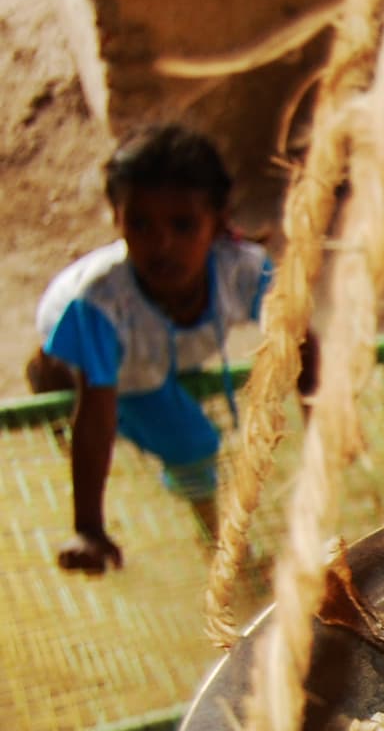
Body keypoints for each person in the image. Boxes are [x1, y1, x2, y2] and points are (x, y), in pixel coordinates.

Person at [30, 124, 315, 573]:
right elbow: (97, 411)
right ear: (116, 217)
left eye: (183, 226)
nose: (161, 244)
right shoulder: (102, 307)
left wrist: (321, 424)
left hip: (151, 342)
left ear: (218, 219)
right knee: (192, 442)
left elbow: (299, 337)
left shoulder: (241, 271)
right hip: (82, 324)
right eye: (139, 224)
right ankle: (221, 546)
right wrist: (89, 528)